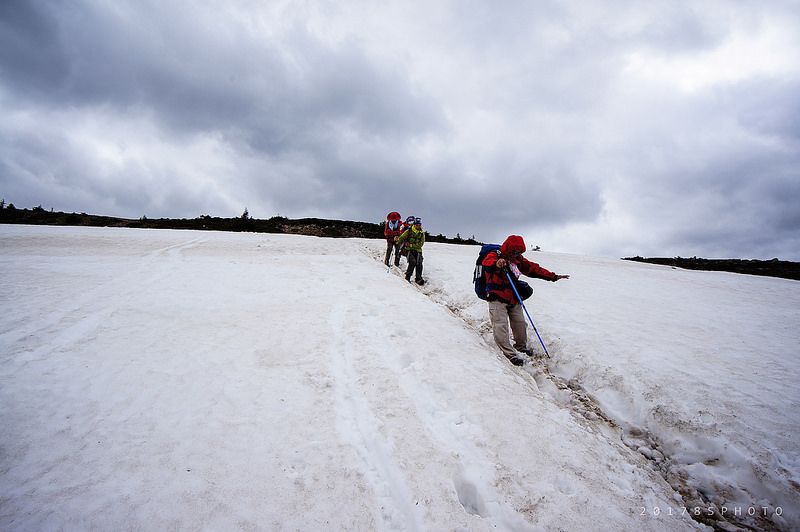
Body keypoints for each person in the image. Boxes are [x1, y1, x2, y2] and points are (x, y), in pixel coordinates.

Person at [481, 235, 569, 366]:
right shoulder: (495, 255)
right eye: (515, 252)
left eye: (520, 252)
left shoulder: (517, 260)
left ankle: (521, 347)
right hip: (496, 297)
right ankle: (509, 354)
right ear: (509, 248)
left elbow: (533, 269)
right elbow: (487, 264)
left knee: (520, 323)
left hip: (513, 297)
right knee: (500, 326)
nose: (517, 254)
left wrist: (553, 276)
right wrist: (497, 264)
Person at [395, 217, 426, 285]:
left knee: (419, 263)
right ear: (414, 224)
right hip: (408, 250)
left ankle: (418, 278)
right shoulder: (409, 230)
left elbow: (421, 244)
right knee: (413, 261)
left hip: (418, 250)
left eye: (419, 224)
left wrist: (411, 245)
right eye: (417, 224)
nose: (418, 226)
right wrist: (397, 242)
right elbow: (402, 237)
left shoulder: (422, 233)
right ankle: (408, 276)